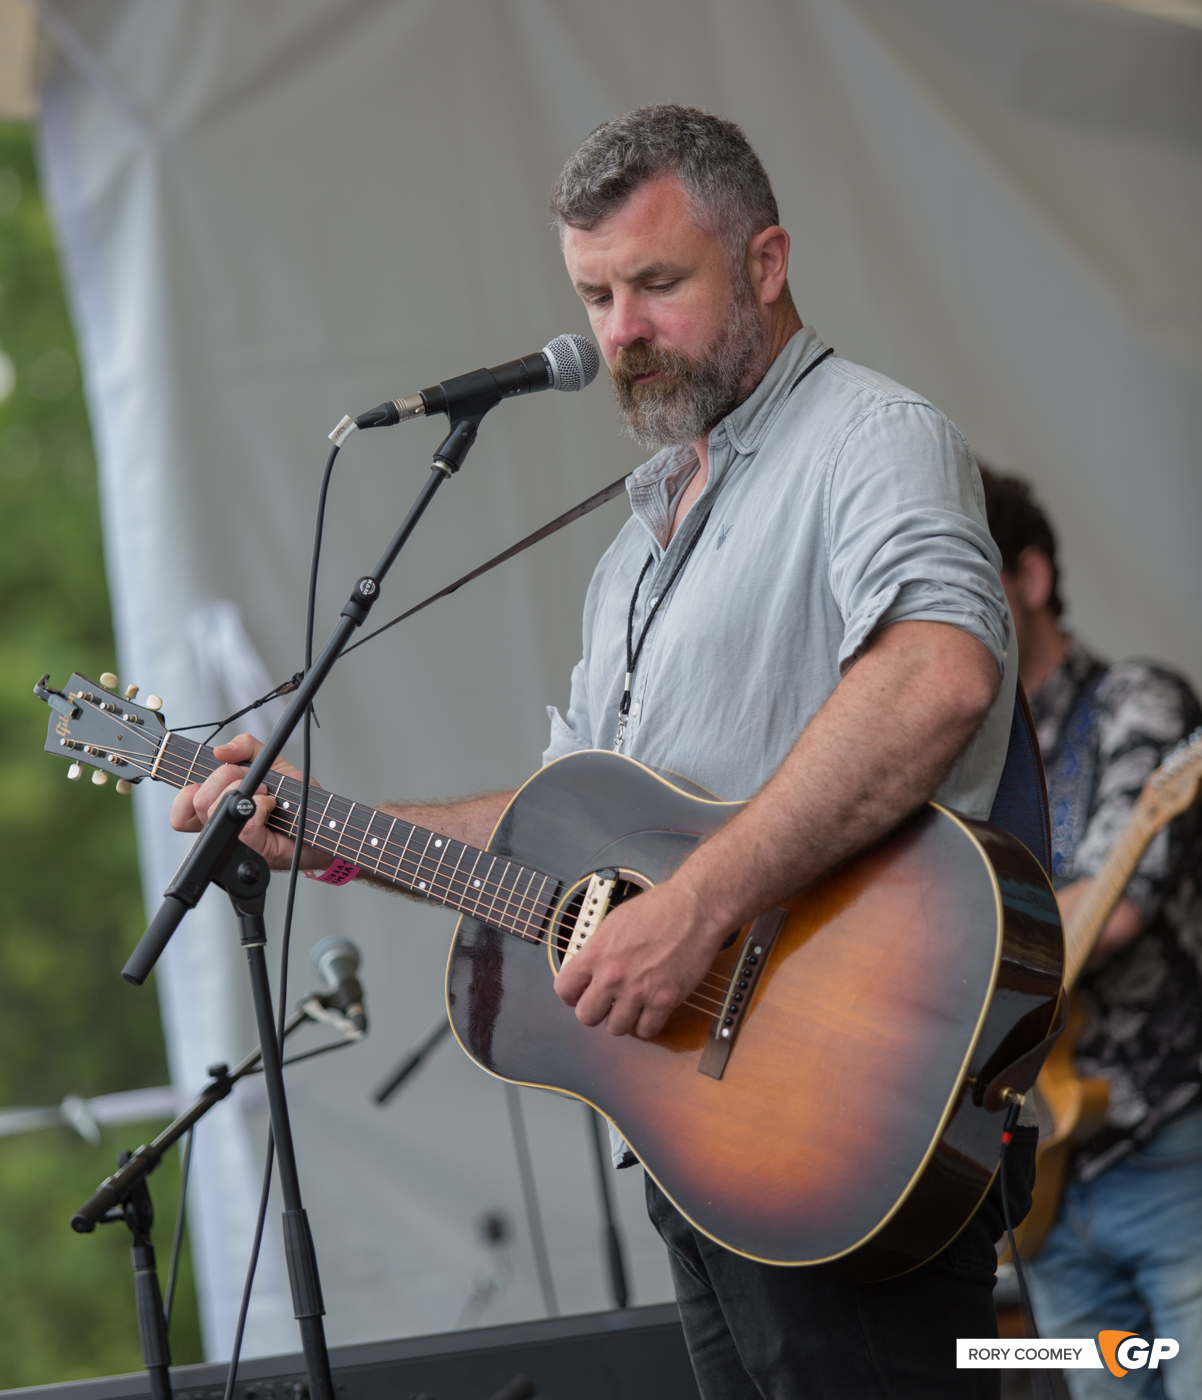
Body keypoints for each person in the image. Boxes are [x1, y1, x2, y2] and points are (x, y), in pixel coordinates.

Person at [175, 106, 1031, 1398]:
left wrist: (694, 906)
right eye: (593, 295)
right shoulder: (633, 552)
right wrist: (330, 828)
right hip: (703, 1133)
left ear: (765, 262)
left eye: (655, 283)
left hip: (843, 1105)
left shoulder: (869, 436)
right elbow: (552, 828)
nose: (619, 330)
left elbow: (935, 674)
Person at [979, 467, 1202, 1400]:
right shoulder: (958, 763)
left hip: (1167, 1148)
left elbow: (1120, 911)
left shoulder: (1136, 702)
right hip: (1043, 1188)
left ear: (1029, 579)